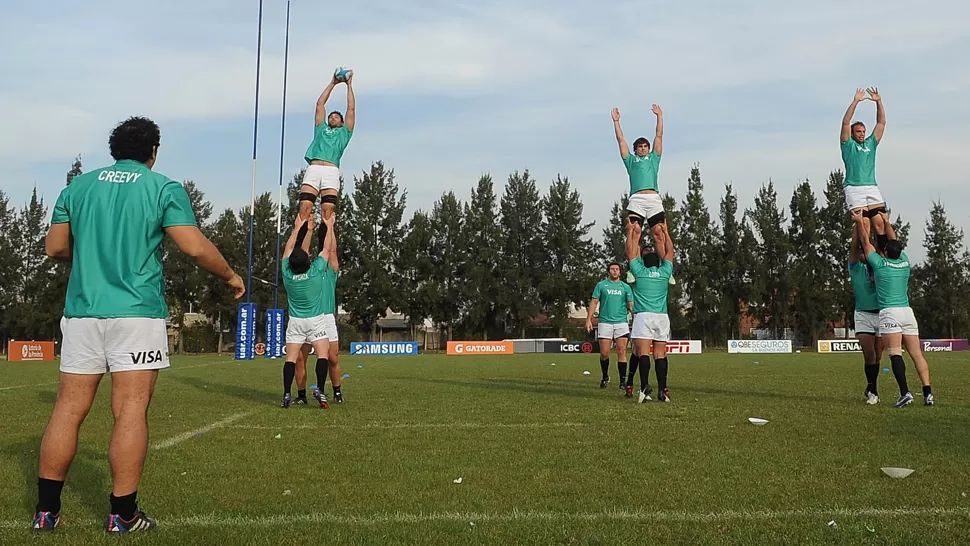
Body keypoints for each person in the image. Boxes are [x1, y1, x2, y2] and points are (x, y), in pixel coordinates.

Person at [33, 116, 245, 533]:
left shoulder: (77, 187)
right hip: (136, 313)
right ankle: (123, 515)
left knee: (68, 409)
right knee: (130, 410)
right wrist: (230, 275)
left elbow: (55, 247)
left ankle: (46, 513)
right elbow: (193, 246)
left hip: (82, 312)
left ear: (114, 149)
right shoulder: (162, 187)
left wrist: (94, 251)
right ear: (154, 151)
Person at [854, 211, 934, 408]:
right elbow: (894, 240)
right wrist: (887, 223)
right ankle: (928, 394)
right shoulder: (905, 262)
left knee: (895, 353)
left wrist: (859, 223)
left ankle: (905, 393)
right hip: (908, 312)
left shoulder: (880, 265)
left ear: (887, 253)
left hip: (890, 312)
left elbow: (866, 243)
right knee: (917, 355)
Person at [611, 104, 674, 286]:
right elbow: (621, 141)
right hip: (637, 199)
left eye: (646, 146)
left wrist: (659, 116)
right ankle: (632, 268)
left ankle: (667, 269)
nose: (644, 148)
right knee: (634, 232)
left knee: (660, 233)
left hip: (653, 199)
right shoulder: (631, 160)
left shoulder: (654, 158)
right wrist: (616, 122)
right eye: (640, 146)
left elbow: (659, 136)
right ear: (636, 149)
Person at [279, 213, 338, 409]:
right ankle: (320, 390)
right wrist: (329, 226)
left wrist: (299, 228)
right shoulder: (314, 273)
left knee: (291, 359)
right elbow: (327, 249)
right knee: (322, 355)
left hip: (295, 321)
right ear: (307, 263)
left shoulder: (287, 274)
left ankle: (287, 394)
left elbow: (288, 251)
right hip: (315, 320)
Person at [294, 214, 343, 404]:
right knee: (300, 358)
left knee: (332, 358)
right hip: (306, 316)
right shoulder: (307, 272)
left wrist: (329, 226)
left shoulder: (329, 272)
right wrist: (309, 229)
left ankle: (336, 391)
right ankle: (301, 395)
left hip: (326, 317)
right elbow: (302, 252)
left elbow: (332, 250)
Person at [626, 221, 675, 403]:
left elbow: (631, 251)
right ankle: (663, 390)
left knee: (643, 353)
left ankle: (644, 387)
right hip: (662, 317)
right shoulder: (664, 272)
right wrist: (666, 233)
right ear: (658, 262)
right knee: (660, 355)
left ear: (643, 263)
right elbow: (670, 252)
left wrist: (632, 233)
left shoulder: (639, 272)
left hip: (643, 316)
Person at [299, 70, 356, 222]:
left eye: (336, 117)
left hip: (331, 171)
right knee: (304, 207)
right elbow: (320, 104)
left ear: (342, 122)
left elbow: (350, 109)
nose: (332, 117)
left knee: (327, 212)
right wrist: (333, 83)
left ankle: (326, 245)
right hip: (314, 168)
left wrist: (349, 85)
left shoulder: (344, 133)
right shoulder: (321, 129)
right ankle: (299, 244)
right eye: (331, 116)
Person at [841, 87, 889, 250]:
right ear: (853, 134)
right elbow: (846, 122)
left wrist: (878, 102)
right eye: (858, 132)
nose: (861, 134)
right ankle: (865, 258)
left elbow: (881, 123)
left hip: (872, 187)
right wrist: (855, 101)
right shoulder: (848, 145)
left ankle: (882, 257)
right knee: (865, 226)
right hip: (854, 188)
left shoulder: (871, 143)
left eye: (863, 131)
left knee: (881, 224)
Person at [849, 214, 883, 404]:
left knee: (878, 356)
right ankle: (873, 391)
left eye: (866, 251)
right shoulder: (855, 268)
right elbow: (855, 244)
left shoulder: (879, 266)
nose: (862, 253)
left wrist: (874, 225)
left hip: (881, 314)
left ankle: (871, 387)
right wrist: (858, 223)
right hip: (863, 314)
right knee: (869, 354)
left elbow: (877, 244)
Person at [586, 262, 634, 391]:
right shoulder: (601, 285)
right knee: (604, 352)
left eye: (617, 269)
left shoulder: (625, 287)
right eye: (612, 269)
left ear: (620, 272)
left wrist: (636, 319)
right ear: (609, 271)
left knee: (621, 351)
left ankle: (623, 381)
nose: (614, 271)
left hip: (621, 323)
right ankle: (605, 376)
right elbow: (594, 302)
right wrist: (589, 319)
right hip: (605, 322)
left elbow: (631, 305)